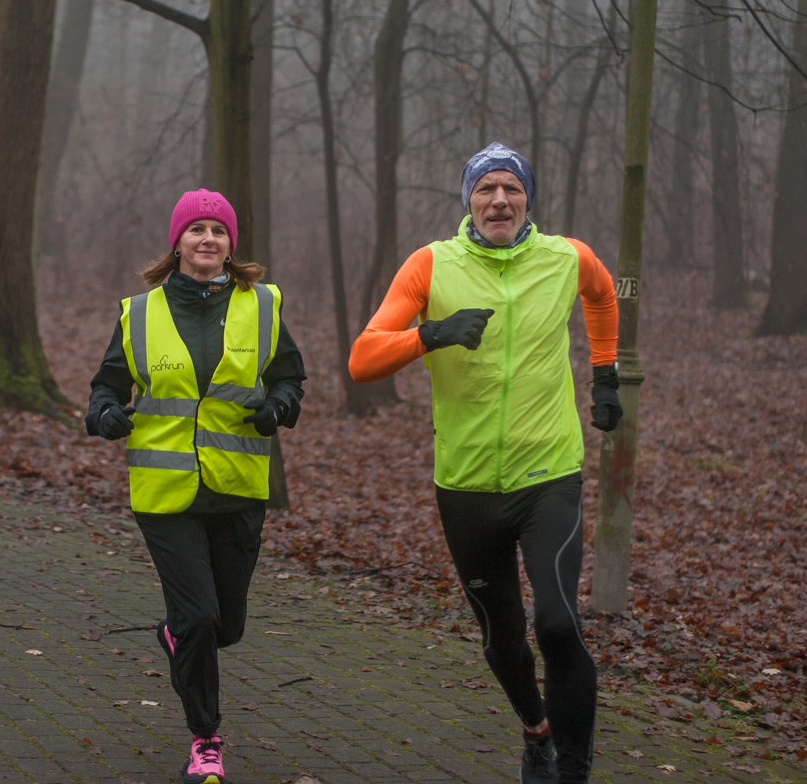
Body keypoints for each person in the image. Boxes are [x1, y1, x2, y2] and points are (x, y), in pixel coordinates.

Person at [349, 143, 622, 784]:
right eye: (485, 189)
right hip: (466, 482)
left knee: (557, 621)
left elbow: (604, 296)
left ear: (528, 198)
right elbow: (363, 360)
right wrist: (432, 333)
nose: (499, 199)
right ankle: (536, 730)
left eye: (511, 188)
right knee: (502, 637)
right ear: (468, 200)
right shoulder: (430, 265)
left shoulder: (566, 257)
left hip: (548, 471)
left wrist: (604, 376)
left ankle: (574, 773)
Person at [87, 189, 305, 784]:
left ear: (231, 244)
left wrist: (278, 407)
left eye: (219, 230)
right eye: (197, 229)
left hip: (238, 488)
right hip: (166, 496)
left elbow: (290, 379)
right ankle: (205, 739)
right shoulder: (140, 312)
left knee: (224, 625)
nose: (208, 239)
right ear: (177, 241)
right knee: (201, 618)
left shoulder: (262, 305)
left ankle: (176, 634)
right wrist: (105, 416)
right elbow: (104, 389)